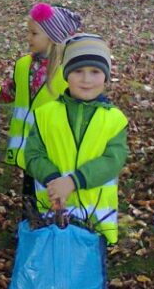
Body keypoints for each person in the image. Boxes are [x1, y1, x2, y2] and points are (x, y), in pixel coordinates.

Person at [24, 33, 127, 266]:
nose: (86, 79)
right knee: (51, 272)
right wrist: (53, 180)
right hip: (51, 214)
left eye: (95, 72)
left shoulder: (115, 120)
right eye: (78, 71)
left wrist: (73, 181)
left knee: (89, 279)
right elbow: (32, 154)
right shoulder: (46, 115)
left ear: (106, 77)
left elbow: (113, 160)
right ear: (66, 74)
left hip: (95, 221)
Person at [2, 4, 83, 199]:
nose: (28, 37)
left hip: (53, 152)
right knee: (29, 198)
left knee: (50, 199)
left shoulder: (67, 72)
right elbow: (11, 91)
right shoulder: (24, 65)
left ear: (52, 37)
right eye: (28, 32)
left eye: (34, 33)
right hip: (28, 148)